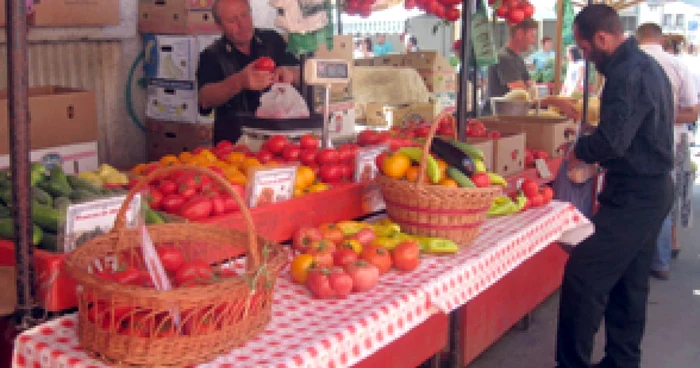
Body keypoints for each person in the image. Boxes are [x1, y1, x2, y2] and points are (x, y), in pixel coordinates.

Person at [546, 5, 674, 368]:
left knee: (583, 276)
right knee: (629, 284)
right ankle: (622, 360)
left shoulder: (627, 73)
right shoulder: (645, 67)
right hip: (649, 189)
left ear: (602, 38)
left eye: (585, 49)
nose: (585, 58)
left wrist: (579, 149)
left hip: (637, 194)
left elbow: (613, 141)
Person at [636, 23, 699, 280]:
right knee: (662, 199)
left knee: (638, 199)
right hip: (672, 141)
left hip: (636, 144)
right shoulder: (678, 64)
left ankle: (639, 261)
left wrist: (647, 118)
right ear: (661, 40)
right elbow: (693, 110)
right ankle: (660, 260)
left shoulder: (627, 64)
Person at [197, 0, 301, 144]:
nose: (243, 24)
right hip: (234, 144)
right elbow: (204, 99)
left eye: (245, 15)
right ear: (219, 26)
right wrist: (240, 82)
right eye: (233, 20)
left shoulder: (272, 40)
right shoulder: (211, 55)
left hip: (278, 140)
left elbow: (302, 74)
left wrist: (291, 73)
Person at [485, 18, 538, 114]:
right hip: (497, 120)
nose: (533, 41)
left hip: (509, 117)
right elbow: (522, 94)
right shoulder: (504, 58)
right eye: (532, 36)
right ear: (520, 33)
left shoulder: (518, 59)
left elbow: (531, 87)